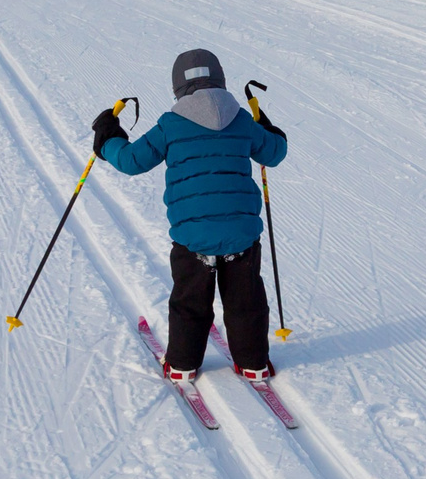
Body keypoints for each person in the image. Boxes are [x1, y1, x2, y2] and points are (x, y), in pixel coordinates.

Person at [93, 49, 288, 381]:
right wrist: (267, 127)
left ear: (178, 87)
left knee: (190, 302)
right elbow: (274, 151)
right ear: (221, 80)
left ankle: (182, 364)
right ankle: (253, 362)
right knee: (246, 302)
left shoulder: (171, 125)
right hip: (241, 234)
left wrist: (108, 138)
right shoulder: (241, 118)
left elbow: (131, 161)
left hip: (192, 238)